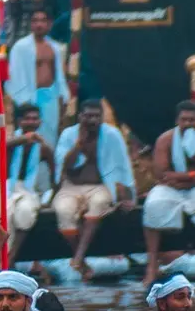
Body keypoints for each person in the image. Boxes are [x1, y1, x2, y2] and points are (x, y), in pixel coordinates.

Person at [141, 101, 195, 282]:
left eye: (192, 120)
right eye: (184, 120)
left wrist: (182, 178)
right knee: (153, 203)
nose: (188, 124)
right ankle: (152, 266)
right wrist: (193, 175)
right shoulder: (166, 139)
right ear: (177, 120)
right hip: (172, 188)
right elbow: (161, 174)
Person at [51, 100, 135, 274]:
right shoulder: (68, 135)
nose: (93, 120)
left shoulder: (112, 135)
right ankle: (80, 259)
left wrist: (128, 195)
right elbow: (64, 166)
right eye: (89, 116)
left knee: (99, 203)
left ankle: (78, 258)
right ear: (80, 116)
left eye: (97, 116)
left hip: (100, 186)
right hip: (71, 187)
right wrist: (79, 145)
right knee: (63, 211)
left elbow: (123, 167)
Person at [5, 8, 68, 147]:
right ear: (30, 24)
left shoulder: (56, 47)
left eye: (43, 21)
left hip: (50, 96)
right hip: (29, 98)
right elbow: (14, 76)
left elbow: (60, 77)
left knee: (50, 136)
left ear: (49, 24)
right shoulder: (20, 47)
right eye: (35, 21)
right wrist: (22, 101)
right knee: (28, 137)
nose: (39, 24)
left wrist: (63, 97)